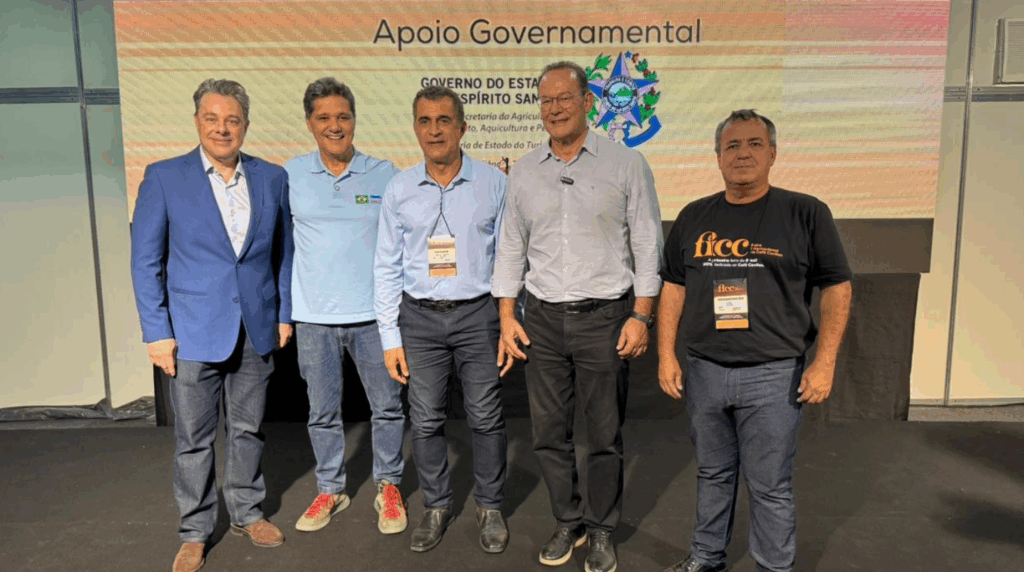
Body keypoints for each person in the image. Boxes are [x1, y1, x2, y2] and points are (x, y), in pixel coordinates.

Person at [656, 110, 853, 572]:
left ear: (773, 154)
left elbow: (837, 287)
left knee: (769, 484)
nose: (742, 153)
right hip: (705, 369)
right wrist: (666, 354)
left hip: (773, 374)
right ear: (717, 157)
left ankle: (773, 567)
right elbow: (673, 286)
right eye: (732, 145)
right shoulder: (693, 215)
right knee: (712, 473)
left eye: (754, 144)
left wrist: (824, 362)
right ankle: (707, 557)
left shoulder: (806, 213)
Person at [492, 60, 664, 572]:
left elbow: (648, 244)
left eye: (564, 98)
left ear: (588, 102)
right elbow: (510, 247)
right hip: (541, 321)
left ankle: (602, 528)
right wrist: (507, 315)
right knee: (548, 434)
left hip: (606, 318)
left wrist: (642, 316)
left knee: (604, 436)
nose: (555, 108)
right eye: (546, 101)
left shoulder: (626, 163)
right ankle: (568, 521)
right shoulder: (525, 171)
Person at [130, 78, 293, 572]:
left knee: (248, 430)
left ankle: (247, 512)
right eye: (212, 119)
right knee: (194, 440)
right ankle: (196, 530)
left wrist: (282, 313)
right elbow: (145, 261)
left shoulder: (271, 177)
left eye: (232, 120)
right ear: (197, 121)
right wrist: (157, 332)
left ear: (246, 124)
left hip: (256, 327)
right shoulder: (164, 177)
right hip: (191, 333)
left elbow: (283, 254)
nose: (223, 128)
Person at [373, 85, 510, 554]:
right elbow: (386, 265)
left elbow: (510, 258)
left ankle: (490, 506)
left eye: (444, 120)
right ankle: (436, 505)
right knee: (426, 418)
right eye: (425, 121)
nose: (435, 131)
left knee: (485, 416)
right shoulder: (399, 189)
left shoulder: (493, 183)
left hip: (478, 316)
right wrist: (390, 336)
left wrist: (510, 320)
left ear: (462, 128)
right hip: (419, 320)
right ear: (415, 129)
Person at [284, 77, 407, 536]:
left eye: (343, 116)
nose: (334, 126)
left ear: (354, 120)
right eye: (324, 118)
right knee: (322, 413)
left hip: (375, 318)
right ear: (309, 123)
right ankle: (331, 489)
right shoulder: (290, 176)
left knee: (388, 408)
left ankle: (389, 486)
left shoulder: (384, 174)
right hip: (314, 318)